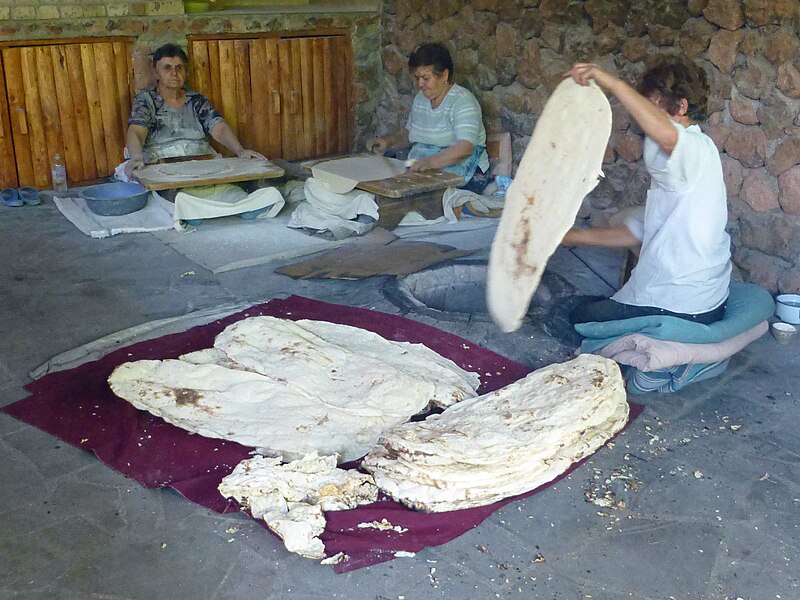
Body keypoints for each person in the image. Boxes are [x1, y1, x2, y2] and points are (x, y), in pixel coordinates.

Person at [561, 59, 731, 326]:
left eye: (652, 105)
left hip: (679, 305)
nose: (644, 118)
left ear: (681, 107)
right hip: (704, 300)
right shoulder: (688, 166)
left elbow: (666, 135)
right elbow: (638, 230)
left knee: (575, 317)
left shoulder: (693, 149)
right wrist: (572, 236)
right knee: (587, 305)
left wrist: (612, 82)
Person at [123, 43, 264, 178]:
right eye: (167, 68)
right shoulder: (147, 101)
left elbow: (218, 127)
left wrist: (240, 150)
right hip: (162, 167)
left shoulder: (196, 100)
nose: (174, 73)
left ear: (186, 72)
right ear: (156, 73)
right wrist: (136, 157)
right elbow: (136, 131)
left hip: (200, 164)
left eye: (179, 68)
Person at [366, 42, 491, 194]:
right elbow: (411, 133)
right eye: (417, 78)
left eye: (426, 78)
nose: (420, 84)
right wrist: (388, 141)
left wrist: (429, 162)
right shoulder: (421, 99)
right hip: (426, 170)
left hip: (461, 171)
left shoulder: (463, 101)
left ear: (444, 75)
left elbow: (464, 148)